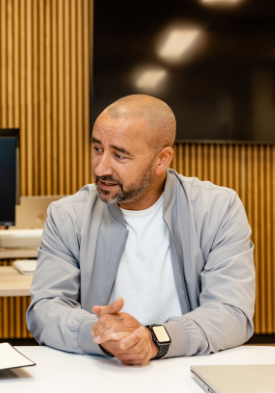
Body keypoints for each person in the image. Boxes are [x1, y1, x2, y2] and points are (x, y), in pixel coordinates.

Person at [26, 94, 255, 364]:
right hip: (99, 370)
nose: (101, 168)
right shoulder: (67, 215)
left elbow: (232, 312)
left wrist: (154, 340)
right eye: (97, 149)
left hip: (190, 367)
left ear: (162, 160)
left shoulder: (218, 209)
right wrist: (98, 334)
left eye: (120, 155)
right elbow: (45, 308)